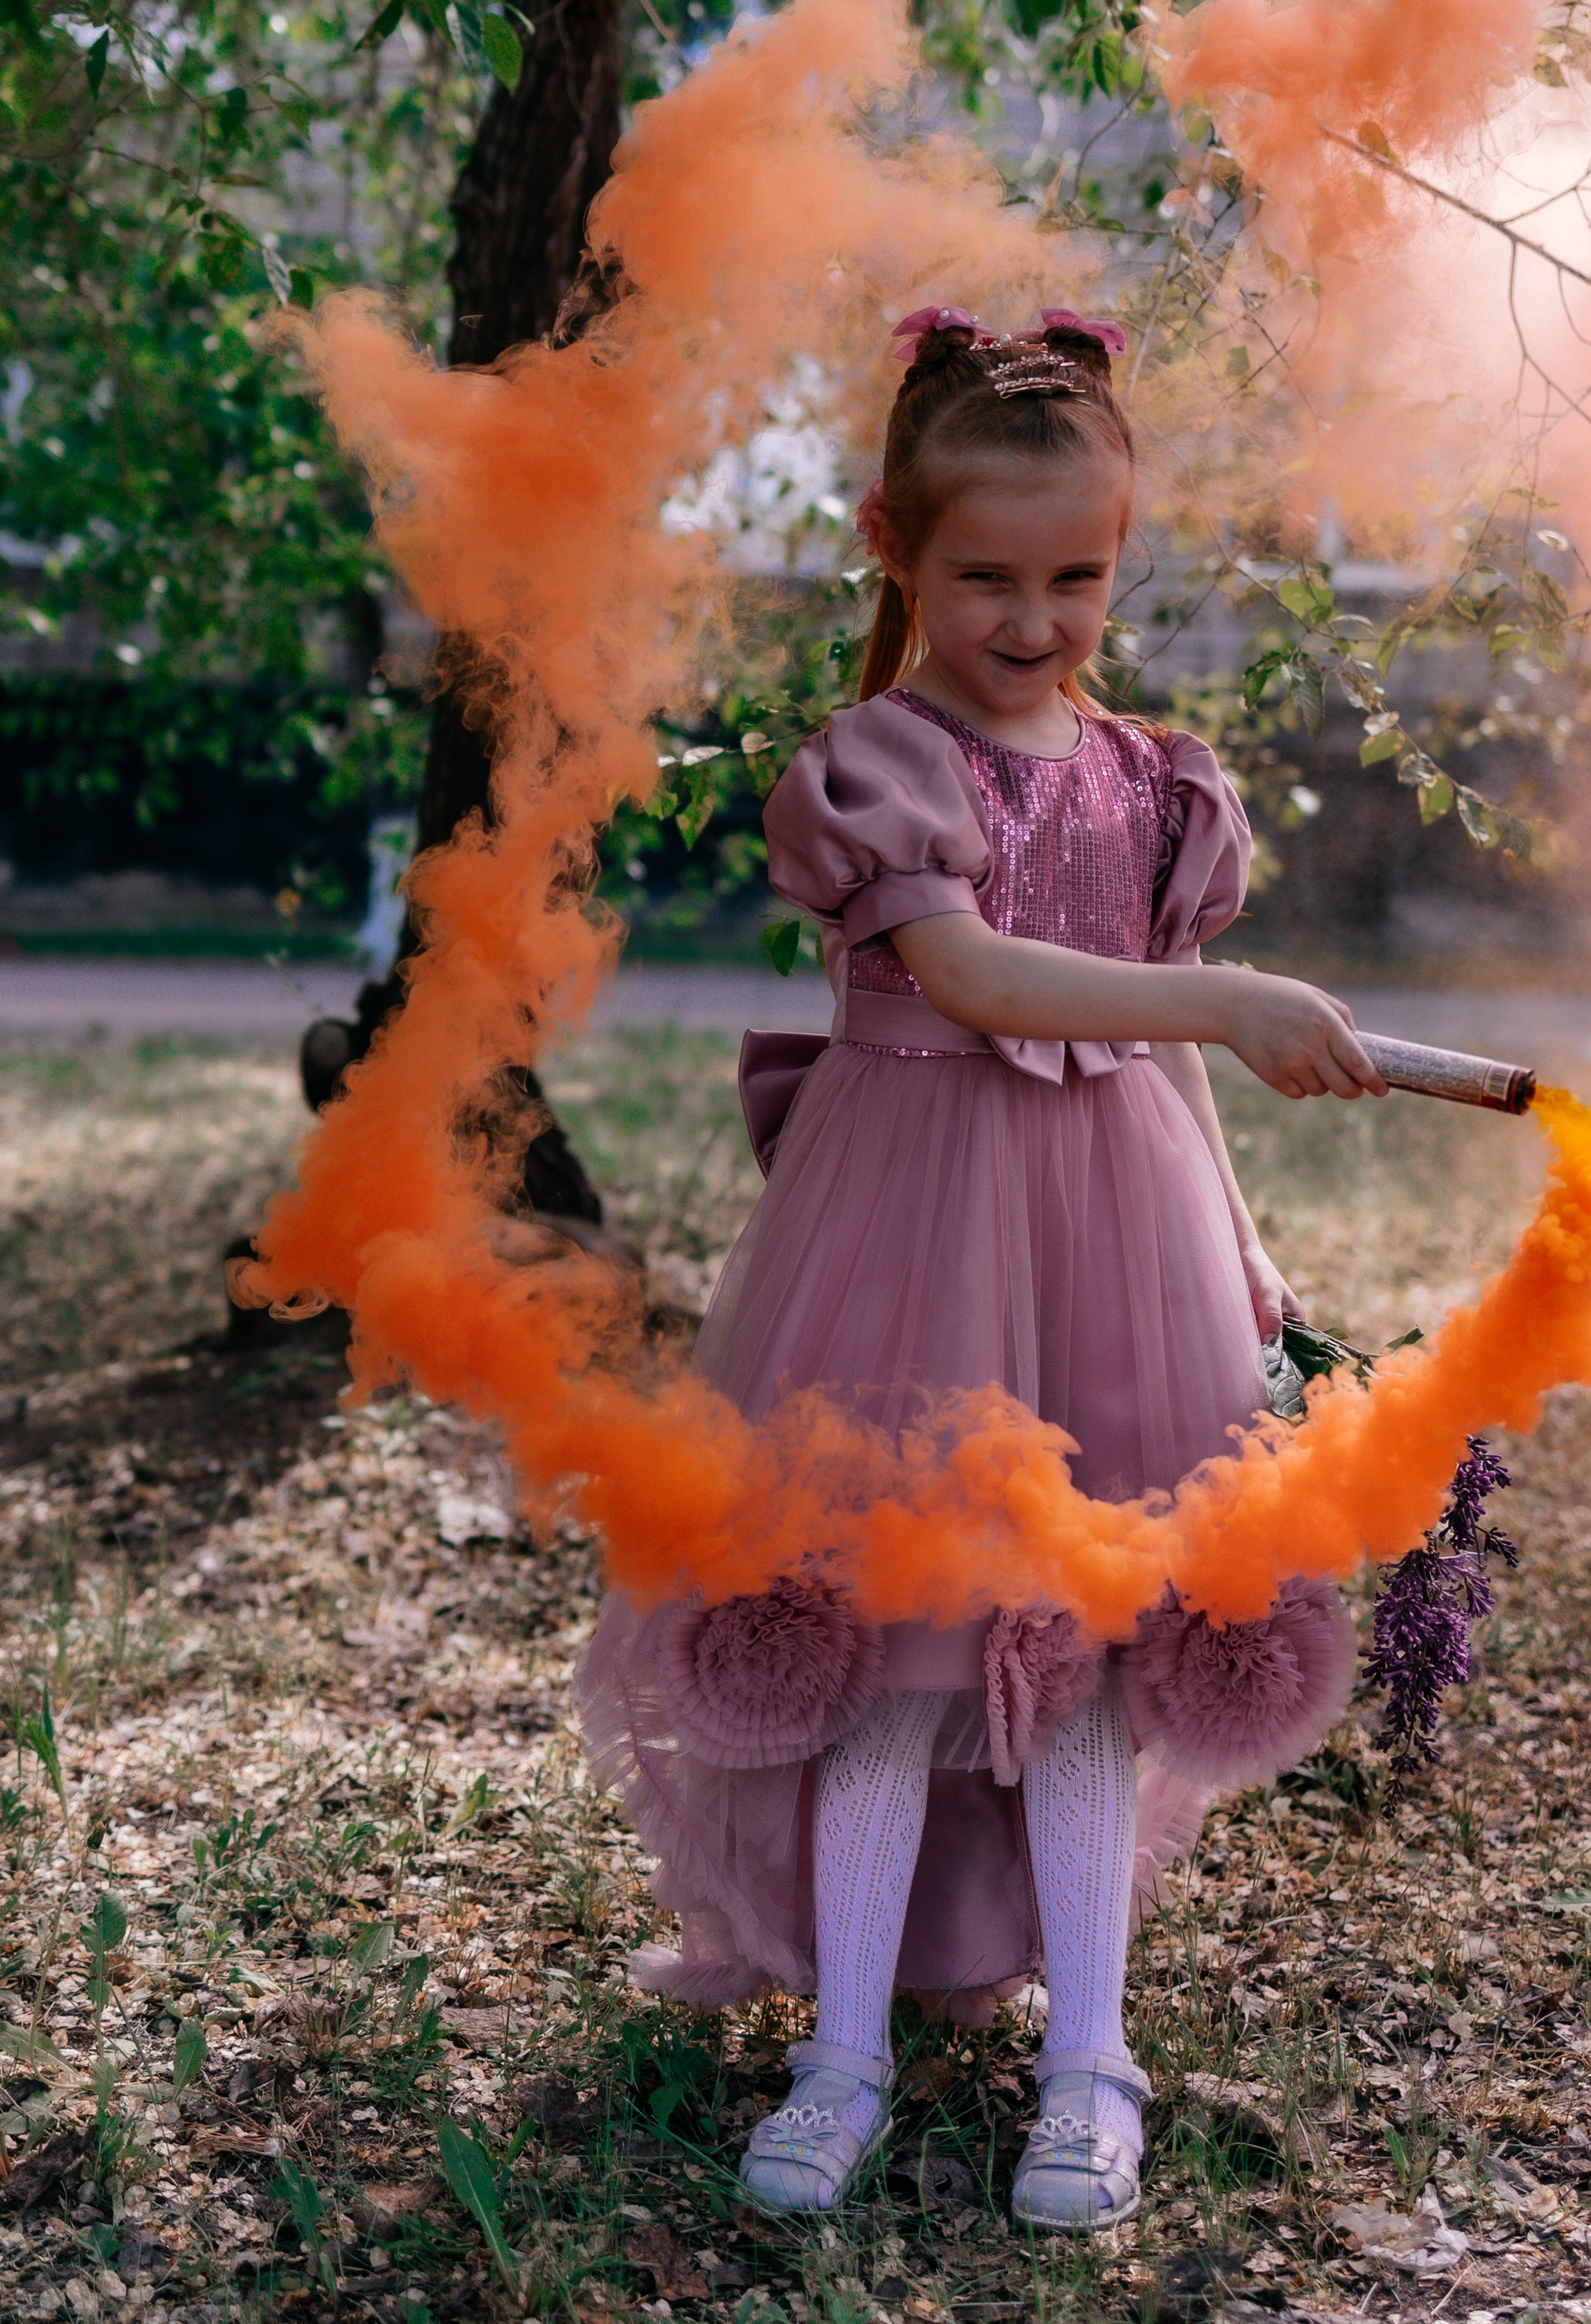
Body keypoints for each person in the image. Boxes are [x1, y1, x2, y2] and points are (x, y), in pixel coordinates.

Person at [576, 305, 1385, 2232]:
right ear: (894, 548)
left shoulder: (1150, 778)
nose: (1032, 619)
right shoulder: (883, 758)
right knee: (896, 1659)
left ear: (1123, 558)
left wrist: (1240, 1229)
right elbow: (975, 980)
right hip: (915, 1239)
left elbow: (1153, 1053)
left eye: (1078, 578)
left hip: (1120, 1242)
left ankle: (1087, 2058)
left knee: (1094, 1661)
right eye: (986, 577)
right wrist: (1225, 987)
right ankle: (841, 2044)